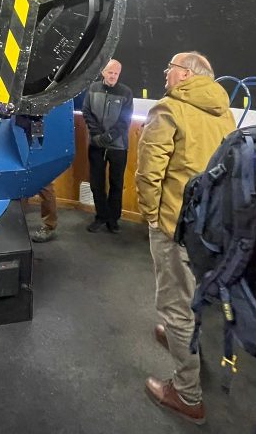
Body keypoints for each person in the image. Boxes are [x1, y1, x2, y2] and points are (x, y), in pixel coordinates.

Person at [135, 51, 236, 424]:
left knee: (175, 304)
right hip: (210, 229)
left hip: (174, 225)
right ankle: (188, 343)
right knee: (197, 293)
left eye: (170, 68)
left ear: (186, 74)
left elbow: (149, 172)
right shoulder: (224, 113)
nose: (166, 74)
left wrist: (151, 215)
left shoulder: (169, 109)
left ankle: (187, 394)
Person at [82, 59, 134, 234]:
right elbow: (86, 112)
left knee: (116, 184)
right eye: (110, 72)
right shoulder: (93, 88)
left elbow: (125, 120)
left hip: (118, 146)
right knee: (96, 183)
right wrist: (97, 135)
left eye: (116, 73)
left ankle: (113, 220)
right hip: (96, 144)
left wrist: (109, 136)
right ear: (103, 72)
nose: (113, 76)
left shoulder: (126, 92)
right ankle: (101, 217)